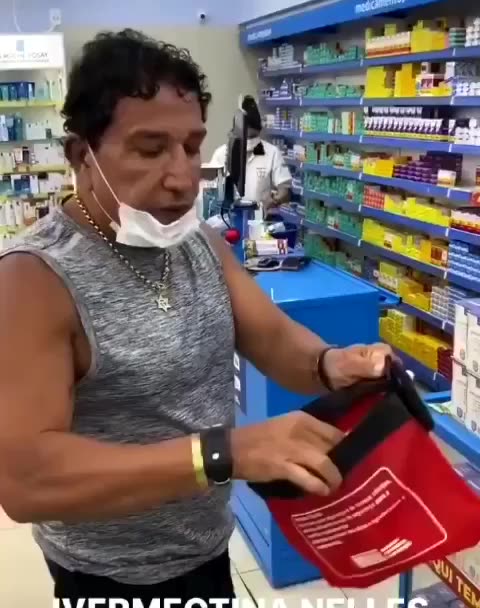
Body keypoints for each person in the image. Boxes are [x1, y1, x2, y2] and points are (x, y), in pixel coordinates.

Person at [0, 30, 393, 604]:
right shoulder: (34, 278)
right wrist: (223, 452)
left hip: (206, 549)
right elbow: (25, 479)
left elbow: (272, 338)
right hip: (111, 578)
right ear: (82, 154)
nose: (182, 177)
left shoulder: (197, 242)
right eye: (150, 149)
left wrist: (331, 364)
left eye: (190, 147)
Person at [210, 95, 292, 215]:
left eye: (253, 137)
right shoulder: (221, 154)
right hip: (226, 218)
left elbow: (285, 190)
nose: (249, 142)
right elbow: (211, 191)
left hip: (258, 219)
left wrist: (275, 200)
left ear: (259, 131)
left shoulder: (272, 153)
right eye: (246, 137)